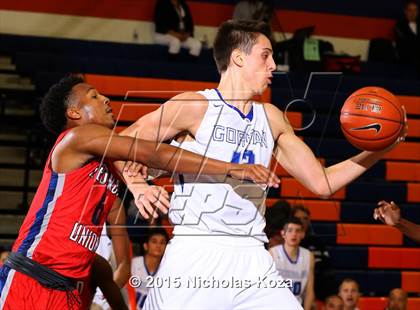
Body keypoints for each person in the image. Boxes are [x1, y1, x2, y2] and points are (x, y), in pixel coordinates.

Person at [122, 20, 406, 310]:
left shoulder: (270, 118)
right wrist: (137, 185)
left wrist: (382, 148)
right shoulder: (195, 107)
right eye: (265, 55)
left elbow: (323, 183)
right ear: (238, 57)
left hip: (252, 256)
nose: (273, 64)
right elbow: (118, 143)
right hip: (197, 251)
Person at [0, 75, 278, 309]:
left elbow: (129, 161)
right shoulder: (77, 137)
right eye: (94, 97)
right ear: (74, 113)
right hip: (32, 279)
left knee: (98, 267)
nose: (106, 100)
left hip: (72, 288)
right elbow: (150, 152)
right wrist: (232, 167)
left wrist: (137, 185)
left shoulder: (106, 159)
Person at [91, 198, 131, 309]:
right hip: (64, 289)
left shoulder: (112, 204)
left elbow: (124, 266)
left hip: (98, 298)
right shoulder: (63, 199)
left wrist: (105, 299)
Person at [270, 218, 315, 310]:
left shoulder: (308, 256)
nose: (294, 234)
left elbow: (309, 291)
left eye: (297, 231)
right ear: (283, 233)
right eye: (290, 230)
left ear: (303, 234)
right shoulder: (272, 253)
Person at [292, 204, 335, 300]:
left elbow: (327, 270)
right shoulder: (286, 243)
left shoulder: (318, 243)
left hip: (318, 291)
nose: (302, 221)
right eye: (298, 218)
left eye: (305, 218)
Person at [131, 228, 169, 310]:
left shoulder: (167, 270)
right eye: (154, 241)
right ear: (145, 245)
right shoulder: (133, 265)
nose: (158, 246)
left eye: (162, 242)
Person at [395, 0, 420, 67]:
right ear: (405, 12)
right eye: (410, 10)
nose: (413, 13)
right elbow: (405, 43)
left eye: (415, 10)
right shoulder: (399, 25)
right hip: (405, 60)